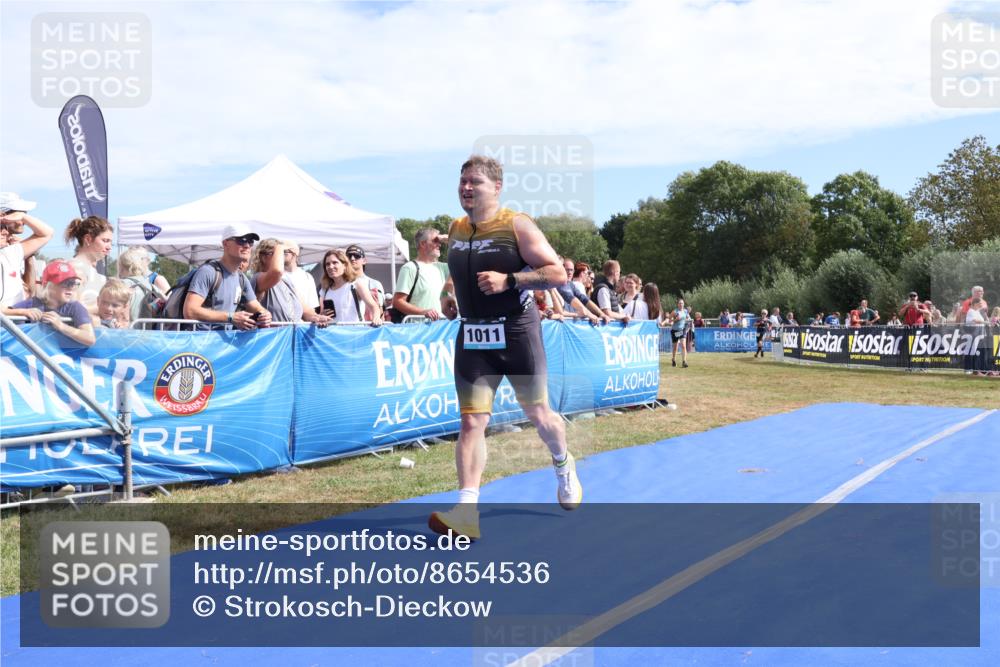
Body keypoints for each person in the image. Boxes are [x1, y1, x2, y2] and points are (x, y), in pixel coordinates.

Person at [427, 155, 581, 541]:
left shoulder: (517, 224)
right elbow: (457, 272)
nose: (465, 188)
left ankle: (563, 464)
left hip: (516, 332)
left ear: (496, 187)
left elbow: (557, 274)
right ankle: (466, 512)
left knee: (538, 413)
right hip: (474, 336)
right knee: (471, 421)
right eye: (462, 181)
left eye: (474, 182)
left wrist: (509, 279)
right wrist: (451, 297)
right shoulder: (457, 229)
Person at [183, 223, 272, 330]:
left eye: (250, 241)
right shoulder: (208, 271)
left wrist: (265, 315)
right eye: (241, 240)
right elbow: (189, 311)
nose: (247, 245)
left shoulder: (242, 279)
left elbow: (256, 307)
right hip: (202, 342)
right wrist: (230, 317)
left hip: (225, 344)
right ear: (225, 244)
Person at [7, 261, 94, 346]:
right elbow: (3, 311)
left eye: (73, 283)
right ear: (47, 285)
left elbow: (90, 338)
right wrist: (22, 312)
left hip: (61, 358)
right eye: (65, 283)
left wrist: (61, 326)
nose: (70, 287)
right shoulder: (34, 303)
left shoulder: (75, 307)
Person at [251, 238, 330, 326]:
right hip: (272, 338)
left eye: (282, 254)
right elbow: (276, 272)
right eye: (276, 253)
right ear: (263, 258)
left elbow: (305, 309)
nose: (281, 257)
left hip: (291, 336)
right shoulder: (258, 278)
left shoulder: (286, 281)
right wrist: (280, 246)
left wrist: (316, 317)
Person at [0, 193, 53, 308]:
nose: (23, 220)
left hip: (16, 321)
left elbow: (30, 291)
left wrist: (28, 258)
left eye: (24, 214)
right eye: (18, 214)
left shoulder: (13, 250)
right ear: (4, 215)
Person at [392, 227, 452, 321]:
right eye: (435, 241)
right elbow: (398, 301)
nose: (439, 244)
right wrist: (422, 312)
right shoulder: (410, 268)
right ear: (423, 244)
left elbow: (464, 249)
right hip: (419, 331)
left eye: (440, 241)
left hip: (441, 329)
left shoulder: (443, 267)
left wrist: (448, 239)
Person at [318, 248, 383, 325]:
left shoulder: (356, 284)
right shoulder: (324, 289)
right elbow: (321, 314)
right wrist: (322, 316)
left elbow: (374, 306)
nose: (331, 266)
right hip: (332, 334)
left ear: (345, 265)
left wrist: (376, 318)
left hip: (355, 334)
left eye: (335, 262)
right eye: (327, 264)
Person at [64, 215, 114, 314]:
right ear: (88, 239)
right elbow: (70, 308)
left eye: (110, 242)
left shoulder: (89, 270)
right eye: (105, 241)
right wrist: (109, 309)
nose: (109, 247)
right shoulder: (74, 268)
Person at [345, 244, 385, 322]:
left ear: (364, 261)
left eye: (357, 256)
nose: (352, 259)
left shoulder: (374, 284)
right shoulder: (342, 284)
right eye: (349, 256)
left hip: (370, 327)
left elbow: (380, 310)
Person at [283, 241, 320, 315]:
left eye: (285, 252)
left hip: (303, 324)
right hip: (283, 323)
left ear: (295, 253)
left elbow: (312, 305)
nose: (281, 255)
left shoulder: (307, 277)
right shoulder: (277, 275)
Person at [667, 298, 690, 367]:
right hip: (675, 331)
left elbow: (688, 318)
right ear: (677, 304)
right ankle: (673, 359)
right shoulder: (675, 311)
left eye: (682, 303)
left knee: (683, 345)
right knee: (675, 347)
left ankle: (684, 361)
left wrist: (688, 320)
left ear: (684, 304)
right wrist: (675, 319)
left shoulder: (685, 311)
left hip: (682, 330)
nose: (681, 304)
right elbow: (669, 321)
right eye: (679, 303)